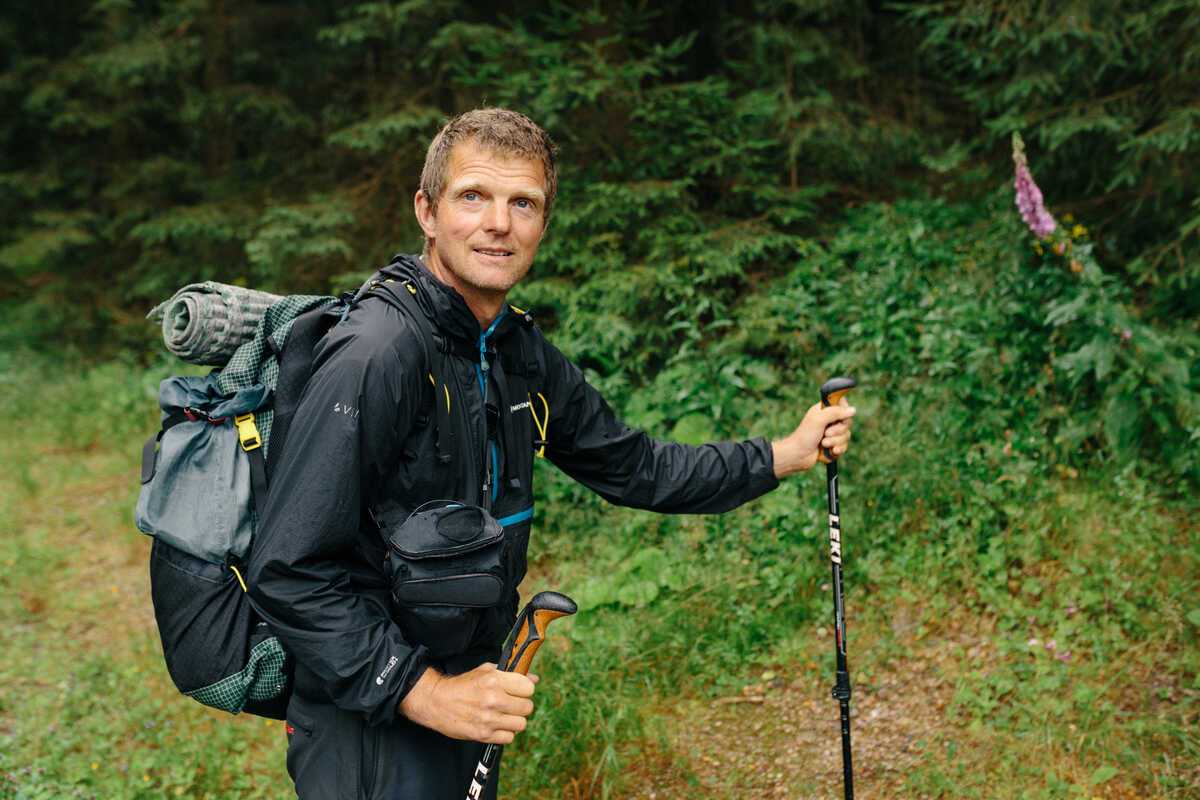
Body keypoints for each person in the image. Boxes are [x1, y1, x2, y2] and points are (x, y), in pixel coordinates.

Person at [247, 107, 855, 799]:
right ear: (427, 210)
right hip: (372, 719)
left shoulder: (513, 350)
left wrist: (782, 454)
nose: (498, 223)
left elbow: (636, 468)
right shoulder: (377, 354)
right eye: (473, 196)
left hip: (475, 686)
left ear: (542, 223)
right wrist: (423, 693)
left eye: (523, 203)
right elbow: (288, 569)